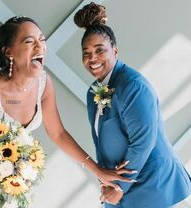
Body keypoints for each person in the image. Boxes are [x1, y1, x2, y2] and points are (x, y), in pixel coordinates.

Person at [0, 16, 135, 208]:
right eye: (29, 42)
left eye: (41, 40)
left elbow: (58, 133)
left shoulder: (43, 83)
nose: (40, 47)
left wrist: (97, 171)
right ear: (9, 52)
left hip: (15, 178)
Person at [74, 2, 191, 208]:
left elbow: (142, 142)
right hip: (122, 189)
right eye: (86, 52)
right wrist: (106, 180)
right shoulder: (93, 90)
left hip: (154, 186)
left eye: (99, 50)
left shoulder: (132, 85)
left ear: (115, 51)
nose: (92, 58)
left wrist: (118, 187)